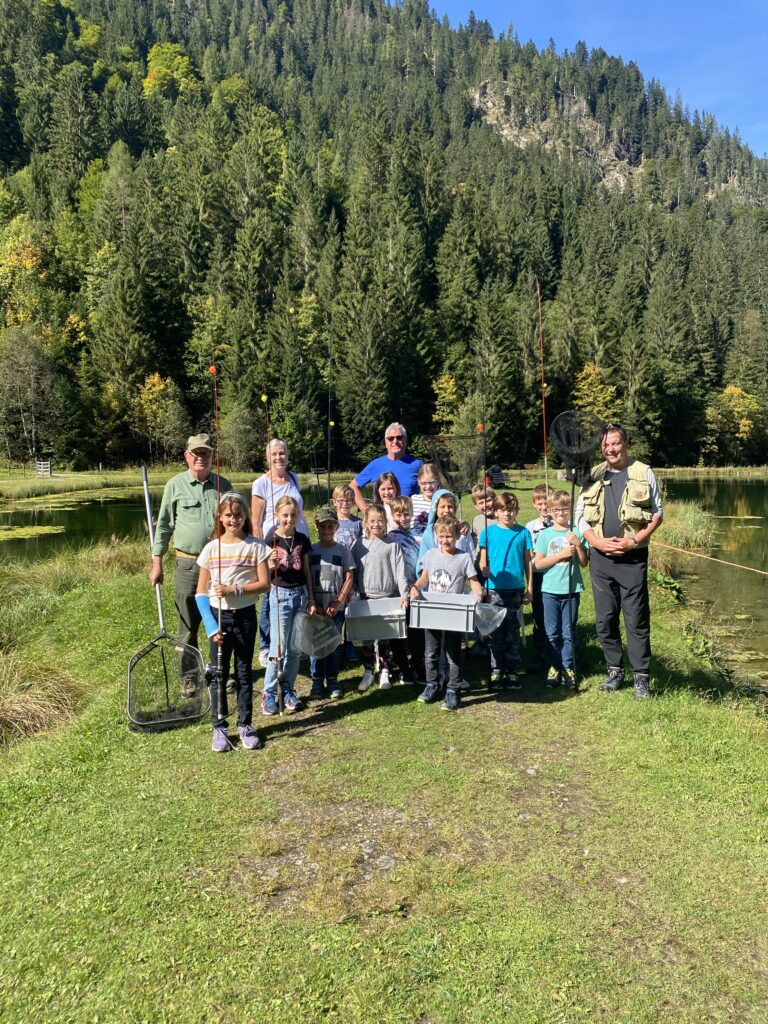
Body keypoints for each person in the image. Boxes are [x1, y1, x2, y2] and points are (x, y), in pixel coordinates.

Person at [574, 424, 663, 699]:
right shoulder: (594, 475)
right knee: (605, 619)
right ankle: (614, 670)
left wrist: (634, 541)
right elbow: (579, 516)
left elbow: (658, 513)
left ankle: (641, 678)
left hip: (632, 558)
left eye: (615, 443)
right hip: (600, 559)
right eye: (605, 445)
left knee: (636, 619)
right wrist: (596, 542)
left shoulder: (643, 471)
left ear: (625, 444)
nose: (610, 449)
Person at [150, 433, 232, 696]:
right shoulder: (174, 486)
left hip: (219, 565)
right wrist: (157, 562)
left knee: (220, 619)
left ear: (212, 457)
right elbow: (162, 526)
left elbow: (235, 523)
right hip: (187, 565)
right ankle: (189, 677)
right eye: (195, 454)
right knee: (188, 625)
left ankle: (219, 671)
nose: (201, 458)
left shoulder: (224, 484)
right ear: (187, 457)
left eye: (206, 453)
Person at [195, 493, 270, 751]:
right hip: (218, 619)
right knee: (218, 673)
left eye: (238, 515)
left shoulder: (256, 546)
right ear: (220, 517)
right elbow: (200, 593)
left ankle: (245, 724)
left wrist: (235, 589)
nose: (233, 519)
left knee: (244, 672)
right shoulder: (211, 548)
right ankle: (219, 728)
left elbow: (264, 584)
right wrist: (211, 626)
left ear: (245, 516)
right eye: (228, 515)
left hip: (246, 616)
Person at [410, 516, 483, 711]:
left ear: (458, 536)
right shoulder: (431, 555)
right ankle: (432, 684)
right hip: (432, 610)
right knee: (431, 652)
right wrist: (415, 588)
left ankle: (453, 690)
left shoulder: (464, 557)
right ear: (436, 536)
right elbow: (424, 578)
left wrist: (477, 592)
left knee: (453, 653)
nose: (445, 540)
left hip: (454, 613)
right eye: (441, 536)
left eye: (449, 536)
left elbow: (473, 581)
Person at [251, 438, 309, 666]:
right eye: (274, 454)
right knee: (270, 596)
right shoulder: (261, 484)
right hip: (273, 546)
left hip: (297, 543)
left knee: (297, 590)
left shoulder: (293, 478)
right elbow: (255, 523)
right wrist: (264, 554)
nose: (278, 458)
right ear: (268, 456)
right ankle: (266, 647)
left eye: (282, 453)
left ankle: (293, 643)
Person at [261, 495, 314, 715]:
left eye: (293, 515)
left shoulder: (302, 539)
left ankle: (289, 689)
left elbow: (306, 571)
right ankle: (269, 693)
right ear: (277, 515)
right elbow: (263, 570)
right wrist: (270, 562)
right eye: (285, 515)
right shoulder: (270, 539)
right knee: (278, 648)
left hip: (300, 595)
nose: (289, 519)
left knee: (294, 648)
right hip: (279, 595)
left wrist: (311, 598)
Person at [351, 503, 410, 691]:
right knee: (367, 637)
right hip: (365, 597)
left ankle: (384, 670)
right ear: (366, 523)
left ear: (385, 522)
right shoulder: (359, 545)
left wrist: (404, 595)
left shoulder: (392, 544)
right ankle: (368, 670)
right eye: (372, 521)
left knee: (384, 636)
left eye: (380, 521)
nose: (376, 524)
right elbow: (352, 571)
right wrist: (352, 593)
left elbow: (400, 572)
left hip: (387, 597)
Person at [533, 490, 588, 689]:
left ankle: (567, 666)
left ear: (570, 510)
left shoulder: (575, 532)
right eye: (556, 509)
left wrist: (578, 545)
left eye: (564, 509)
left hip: (571, 590)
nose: (560, 513)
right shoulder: (546, 535)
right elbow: (538, 564)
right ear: (549, 511)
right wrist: (562, 554)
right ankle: (554, 666)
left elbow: (583, 563)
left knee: (568, 632)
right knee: (552, 632)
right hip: (549, 591)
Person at [478, 492, 533, 690]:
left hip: (516, 588)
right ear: (496, 512)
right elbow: (482, 559)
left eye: (510, 510)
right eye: (502, 510)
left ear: (516, 510)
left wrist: (530, 587)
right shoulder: (487, 532)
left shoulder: (523, 532)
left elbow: (528, 562)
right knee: (495, 631)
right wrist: (484, 569)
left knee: (512, 631)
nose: (507, 514)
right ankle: (496, 670)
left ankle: (512, 670)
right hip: (494, 589)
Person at [307, 506, 354, 700]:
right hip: (316, 607)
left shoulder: (343, 551)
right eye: (323, 526)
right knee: (316, 645)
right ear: (316, 527)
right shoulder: (311, 551)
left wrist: (339, 601)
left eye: (331, 526)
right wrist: (312, 602)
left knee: (334, 644)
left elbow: (349, 576)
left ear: (336, 527)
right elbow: (306, 577)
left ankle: (333, 679)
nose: (327, 530)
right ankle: (317, 681)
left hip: (336, 607)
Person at [348, 423, 422, 512]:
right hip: (382, 522)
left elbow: (432, 488)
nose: (395, 441)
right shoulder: (375, 465)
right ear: (385, 442)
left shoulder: (417, 465)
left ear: (405, 440)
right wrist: (366, 511)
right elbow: (353, 486)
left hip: (407, 520)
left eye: (399, 437)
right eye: (391, 438)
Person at [388, 495, 423, 683]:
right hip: (397, 591)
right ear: (393, 515)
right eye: (399, 514)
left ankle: (419, 665)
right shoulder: (390, 537)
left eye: (406, 514)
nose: (403, 518)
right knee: (398, 632)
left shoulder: (419, 534)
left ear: (412, 513)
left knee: (416, 630)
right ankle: (403, 668)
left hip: (416, 589)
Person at [525, 483, 552, 671]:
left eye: (547, 503)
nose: (544, 507)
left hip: (554, 576)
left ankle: (556, 652)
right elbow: (526, 554)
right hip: (537, 575)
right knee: (539, 617)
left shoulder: (558, 523)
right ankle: (539, 652)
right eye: (540, 503)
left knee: (554, 616)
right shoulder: (530, 526)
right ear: (535, 504)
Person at [417, 489, 474, 572]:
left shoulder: (463, 530)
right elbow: (423, 563)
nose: (447, 510)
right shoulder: (430, 533)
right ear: (435, 509)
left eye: (450, 506)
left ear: (455, 508)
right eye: (442, 507)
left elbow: (471, 555)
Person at [410, 463, 443, 537]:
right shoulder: (413, 500)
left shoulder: (441, 502)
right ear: (418, 482)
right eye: (424, 483)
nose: (428, 487)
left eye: (432, 482)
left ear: (437, 481)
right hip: (413, 542)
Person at [331, 483, 362, 550]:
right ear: (334, 502)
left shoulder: (359, 523)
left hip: (352, 559)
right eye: (341, 500)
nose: (345, 504)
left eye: (348, 500)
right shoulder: (330, 521)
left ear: (353, 502)